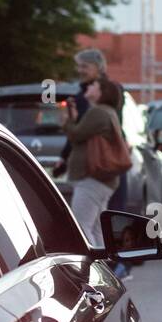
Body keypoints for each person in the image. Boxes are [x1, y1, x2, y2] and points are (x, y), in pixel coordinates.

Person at [61, 77, 122, 249]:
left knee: (82, 227)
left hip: (92, 178)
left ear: (102, 92)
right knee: (96, 229)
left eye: (94, 85)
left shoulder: (99, 112)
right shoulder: (107, 112)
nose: (89, 86)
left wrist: (68, 120)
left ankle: (90, 271)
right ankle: (103, 269)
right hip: (101, 179)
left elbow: (76, 135)